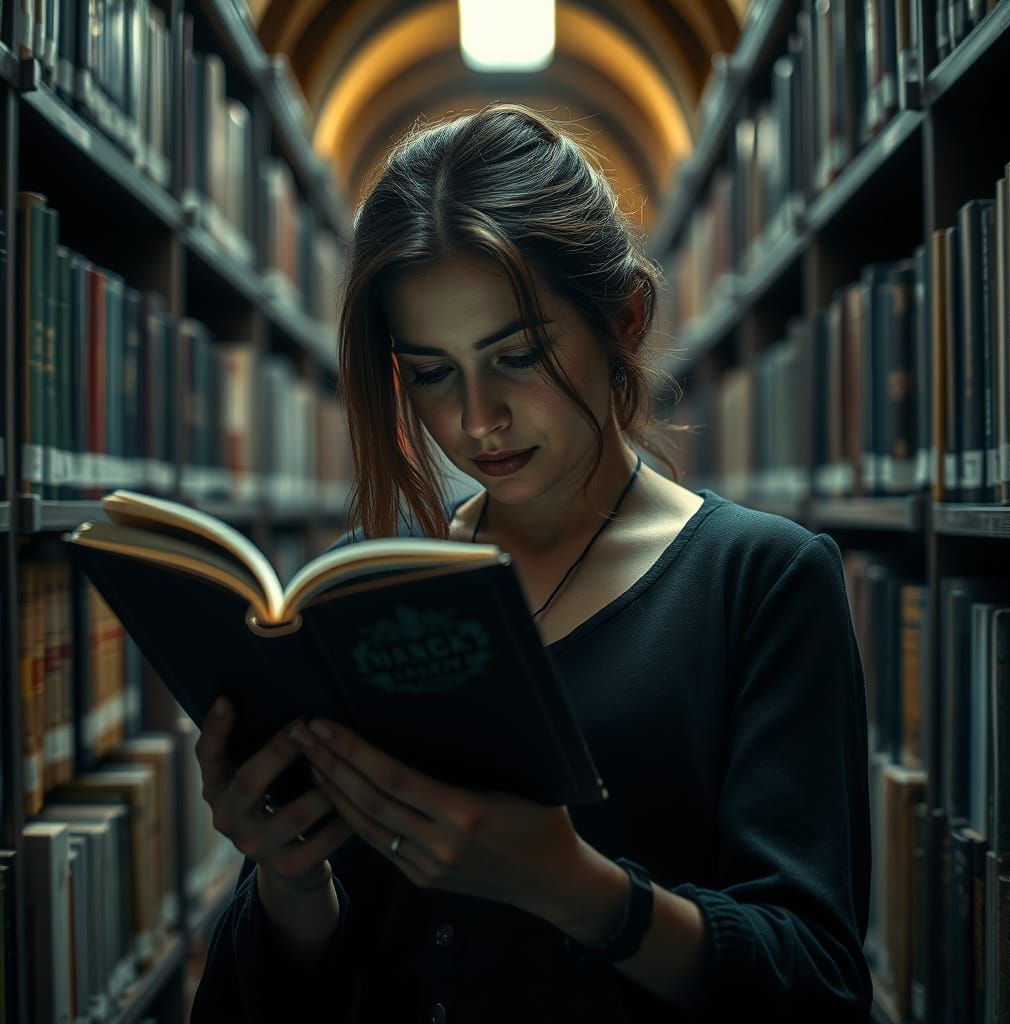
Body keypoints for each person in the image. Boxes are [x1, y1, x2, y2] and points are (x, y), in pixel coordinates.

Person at [189, 102, 872, 1022]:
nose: (477, 421)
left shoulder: (760, 581)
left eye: (518, 355)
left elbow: (820, 986)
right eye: (431, 372)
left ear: (623, 318)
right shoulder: (364, 587)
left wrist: (575, 888)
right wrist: (288, 877)